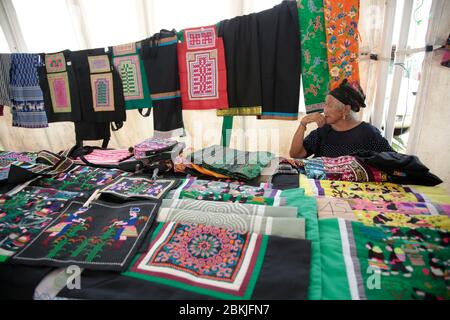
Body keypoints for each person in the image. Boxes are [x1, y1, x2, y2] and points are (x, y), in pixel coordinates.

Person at [289, 79, 394, 158]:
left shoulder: (368, 133)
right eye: (324, 104)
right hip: (322, 185)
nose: (324, 110)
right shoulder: (324, 131)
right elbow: (296, 154)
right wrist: (303, 124)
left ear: (346, 110)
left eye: (329, 105)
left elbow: (393, 159)